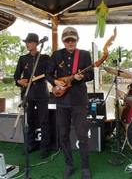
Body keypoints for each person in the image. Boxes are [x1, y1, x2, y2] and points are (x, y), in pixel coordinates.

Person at [45, 26, 94, 179]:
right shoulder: (56, 55)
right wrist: (55, 82)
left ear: (77, 40)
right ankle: (69, 165)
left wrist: (83, 77)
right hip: (61, 100)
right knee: (63, 134)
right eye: (67, 40)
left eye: (73, 39)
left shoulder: (84, 55)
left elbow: (91, 74)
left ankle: (85, 167)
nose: (70, 42)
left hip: (79, 100)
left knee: (82, 135)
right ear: (63, 41)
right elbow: (47, 73)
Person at [14, 33, 50, 159]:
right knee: (28, 122)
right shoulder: (23, 59)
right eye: (26, 42)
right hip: (27, 94)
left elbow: (50, 73)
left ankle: (45, 148)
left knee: (44, 122)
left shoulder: (45, 58)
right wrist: (19, 81)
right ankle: (31, 145)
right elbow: (16, 75)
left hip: (41, 94)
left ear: (36, 43)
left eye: (29, 42)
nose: (27, 44)